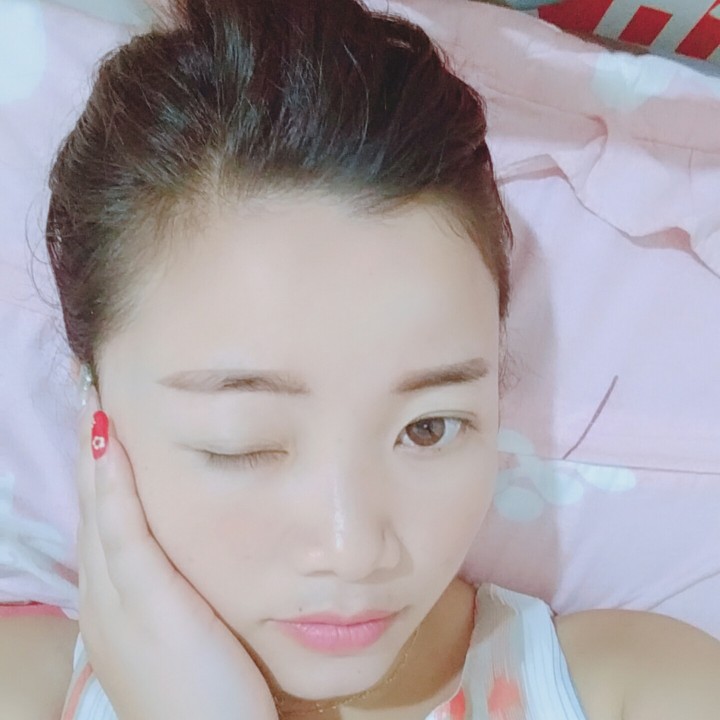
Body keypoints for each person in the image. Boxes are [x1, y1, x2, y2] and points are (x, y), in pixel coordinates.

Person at [3, 0, 718, 718]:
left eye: (429, 429)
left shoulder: (642, 691)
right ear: (94, 400)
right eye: (243, 444)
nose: (353, 550)